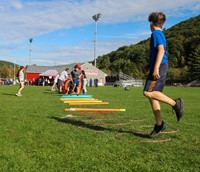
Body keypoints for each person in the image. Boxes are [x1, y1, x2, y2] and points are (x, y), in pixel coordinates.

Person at [143, 12, 184, 138]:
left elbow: (161, 50)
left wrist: (155, 68)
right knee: (153, 96)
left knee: (148, 92)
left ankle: (176, 104)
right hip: (159, 65)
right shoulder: (160, 33)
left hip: (160, 66)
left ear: (151, 23)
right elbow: (159, 52)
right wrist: (149, 66)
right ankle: (159, 124)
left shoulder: (155, 33)